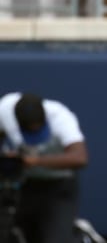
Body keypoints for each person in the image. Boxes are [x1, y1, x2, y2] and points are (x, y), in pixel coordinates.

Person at [0, 92, 88, 243]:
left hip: (58, 185)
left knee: (56, 239)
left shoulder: (61, 117)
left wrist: (35, 161)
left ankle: (78, 235)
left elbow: (80, 158)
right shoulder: (4, 110)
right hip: (22, 184)